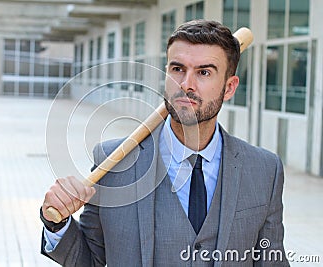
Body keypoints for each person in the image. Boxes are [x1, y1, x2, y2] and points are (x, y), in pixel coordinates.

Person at [40, 19, 289, 266]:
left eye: (204, 72)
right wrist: (57, 225)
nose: (186, 84)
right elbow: (90, 260)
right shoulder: (113, 162)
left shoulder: (265, 171)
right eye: (177, 69)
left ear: (229, 88)